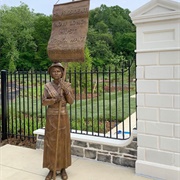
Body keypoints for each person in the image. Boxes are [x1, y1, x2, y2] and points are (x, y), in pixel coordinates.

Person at [42, 62, 74, 180]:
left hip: (63, 115)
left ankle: (63, 168)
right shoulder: (47, 86)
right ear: (50, 73)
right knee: (51, 143)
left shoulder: (67, 85)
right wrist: (54, 100)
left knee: (63, 142)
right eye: (54, 71)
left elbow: (71, 101)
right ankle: (51, 169)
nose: (56, 73)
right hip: (51, 116)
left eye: (58, 71)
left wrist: (66, 91)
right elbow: (43, 102)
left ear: (62, 73)